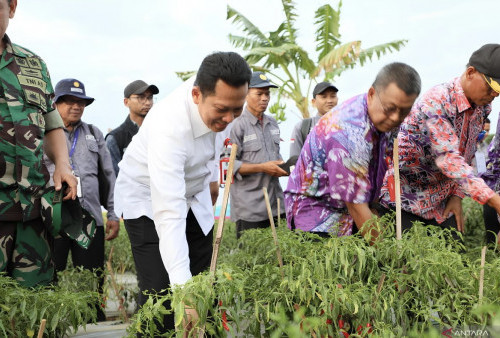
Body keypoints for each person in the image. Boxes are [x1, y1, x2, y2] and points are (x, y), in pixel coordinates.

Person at [114, 51, 251, 332]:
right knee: (161, 293)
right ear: (197, 94)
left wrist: (213, 180)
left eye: (237, 110)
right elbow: (169, 212)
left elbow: (214, 148)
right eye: (222, 110)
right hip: (147, 198)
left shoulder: (221, 96)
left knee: (204, 285)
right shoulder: (169, 127)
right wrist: (183, 291)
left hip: (194, 190)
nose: (229, 118)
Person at [285, 62, 421, 240]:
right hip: (315, 216)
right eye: (390, 109)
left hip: (348, 210)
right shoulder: (347, 132)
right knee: (330, 266)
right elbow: (357, 206)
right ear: (372, 94)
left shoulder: (380, 118)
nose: (396, 117)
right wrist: (390, 259)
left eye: (404, 111)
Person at [379, 44, 500, 239]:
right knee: (405, 263)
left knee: (452, 261)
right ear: (470, 73)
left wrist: (457, 195)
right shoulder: (437, 101)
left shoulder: (482, 108)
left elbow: (466, 153)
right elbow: (448, 158)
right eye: (492, 87)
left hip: (442, 202)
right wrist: (494, 200)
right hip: (405, 199)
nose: (495, 94)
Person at [0, 0, 77, 288]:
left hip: (31, 211)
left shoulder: (32, 64)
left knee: (35, 307)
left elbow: (51, 122)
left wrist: (63, 165)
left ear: (12, 8)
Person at [44, 78, 119, 320]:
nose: (76, 107)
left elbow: (108, 174)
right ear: (55, 103)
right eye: (70, 101)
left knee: (91, 274)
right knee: (50, 272)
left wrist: (113, 214)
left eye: (81, 102)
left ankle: (91, 318)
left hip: (89, 217)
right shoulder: (44, 132)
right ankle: (51, 317)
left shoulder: (94, 133)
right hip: (54, 215)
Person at [229, 72, 288, 239]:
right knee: (251, 262)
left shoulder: (272, 123)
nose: (265, 98)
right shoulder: (236, 125)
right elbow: (228, 165)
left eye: (267, 94)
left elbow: (274, 156)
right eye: (259, 93)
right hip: (250, 210)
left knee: (280, 260)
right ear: (246, 94)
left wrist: (282, 166)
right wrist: (263, 168)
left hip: (276, 205)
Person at [106, 80, 159, 176]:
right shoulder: (115, 138)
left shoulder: (161, 132)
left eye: (150, 97)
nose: (147, 102)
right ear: (126, 102)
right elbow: (114, 178)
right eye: (141, 97)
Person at [289, 81, 339, 158]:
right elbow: (295, 161)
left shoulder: (347, 125)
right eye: (324, 97)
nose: (329, 101)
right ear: (314, 102)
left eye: (332, 96)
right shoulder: (302, 127)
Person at [481, 117, 500, 245]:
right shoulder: (492, 147)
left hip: (487, 188)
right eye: (483, 130)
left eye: (488, 130)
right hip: (485, 190)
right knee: (492, 235)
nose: (485, 134)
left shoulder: (486, 146)